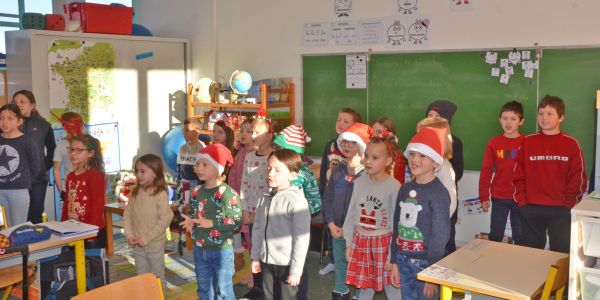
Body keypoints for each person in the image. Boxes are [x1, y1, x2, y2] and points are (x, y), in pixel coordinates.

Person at [513, 95, 587, 253]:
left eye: (549, 113)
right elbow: (518, 176)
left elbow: (578, 178)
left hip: (561, 209)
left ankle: (560, 279)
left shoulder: (571, 144)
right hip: (531, 208)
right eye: (540, 113)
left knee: (560, 254)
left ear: (561, 117)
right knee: (531, 254)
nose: (544, 117)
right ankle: (532, 278)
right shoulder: (527, 142)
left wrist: (568, 204)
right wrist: (522, 202)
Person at [390, 127, 451, 300]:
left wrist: (432, 274)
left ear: (435, 163)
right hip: (403, 259)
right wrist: (394, 260)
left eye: (422, 156)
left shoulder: (439, 193)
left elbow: (440, 236)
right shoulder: (405, 189)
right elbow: (397, 226)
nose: (415, 160)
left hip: (426, 265)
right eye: (412, 154)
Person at [343, 135, 402, 300]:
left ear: (388, 161)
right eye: (367, 156)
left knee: (392, 287)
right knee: (364, 288)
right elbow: (351, 215)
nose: (368, 161)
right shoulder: (359, 182)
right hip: (361, 243)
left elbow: (396, 225)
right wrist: (349, 244)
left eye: (375, 158)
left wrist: (392, 255)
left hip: (383, 245)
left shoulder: (394, 186)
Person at [179, 143, 241, 299]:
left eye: (205, 164)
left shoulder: (228, 194)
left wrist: (212, 223)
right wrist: (191, 221)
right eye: (197, 164)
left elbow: (236, 222)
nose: (199, 168)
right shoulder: (195, 192)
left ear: (219, 169)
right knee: (204, 289)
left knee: (224, 290)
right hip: (200, 249)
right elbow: (195, 214)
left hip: (222, 251)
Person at [251, 148, 311, 300]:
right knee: (268, 296)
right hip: (266, 262)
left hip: (287, 264)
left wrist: (296, 271)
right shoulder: (264, 198)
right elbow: (257, 230)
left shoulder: (297, 201)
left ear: (292, 175)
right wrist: (255, 257)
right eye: (269, 168)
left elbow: (301, 239)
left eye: (277, 170)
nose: (270, 173)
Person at [322, 123, 371, 300]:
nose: (347, 146)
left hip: (358, 232)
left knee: (359, 265)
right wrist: (331, 223)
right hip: (337, 228)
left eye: (352, 143)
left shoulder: (367, 173)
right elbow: (327, 198)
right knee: (341, 262)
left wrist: (351, 228)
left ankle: (360, 295)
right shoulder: (338, 169)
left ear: (362, 145)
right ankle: (340, 291)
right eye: (344, 142)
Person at [273, 124, 320, 300]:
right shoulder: (275, 170)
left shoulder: (305, 174)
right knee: (279, 266)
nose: (276, 151)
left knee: (298, 265)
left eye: (281, 149)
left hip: (297, 229)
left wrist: (301, 213)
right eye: (277, 148)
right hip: (278, 229)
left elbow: (315, 202)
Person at [319, 107, 361, 276]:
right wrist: (323, 189)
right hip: (332, 195)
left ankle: (346, 264)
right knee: (332, 230)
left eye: (346, 121)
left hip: (347, 197)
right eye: (339, 119)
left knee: (346, 234)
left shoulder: (354, 149)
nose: (340, 123)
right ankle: (333, 261)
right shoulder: (330, 144)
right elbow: (323, 170)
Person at [124, 154, 173, 295]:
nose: (138, 175)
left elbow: (164, 220)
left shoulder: (160, 194)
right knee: (142, 276)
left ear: (155, 172)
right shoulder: (135, 192)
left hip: (154, 245)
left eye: (142, 171)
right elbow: (127, 215)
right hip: (137, 243)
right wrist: (130, 235)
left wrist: (147, 238)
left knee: (156, 276)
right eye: (137, 171)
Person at [240, 109, 275, 299]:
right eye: (251, 132)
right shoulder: (249, 157)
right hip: (250, 212)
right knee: (254, 249)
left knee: (266, 250)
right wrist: (244, 209)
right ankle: (257, 287)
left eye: (257, 132)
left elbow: (271, 188)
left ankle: (267, 288)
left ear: (270, 135)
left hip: (267, 213)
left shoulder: (274, 158)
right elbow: (243, 184)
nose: (253, 136)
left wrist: (259, 212)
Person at [478, 101, 525, 244]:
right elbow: (486, 170)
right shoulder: (494, 143)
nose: (508, 122)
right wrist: (484, 196)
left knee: (521, 236)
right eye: (505, 118)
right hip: (499, 196)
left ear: (521, 121)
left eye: (513, 118)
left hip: (521, 197)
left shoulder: (527, 142)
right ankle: (493, 263)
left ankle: (519, 264)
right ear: (500, 120)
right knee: (496, 235)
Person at [12, 90, 56, 223]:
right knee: (19, 216)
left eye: (22, 102)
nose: (18, 104)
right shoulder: (7, 125)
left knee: (36, 214)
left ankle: (36, 242)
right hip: (16, 179)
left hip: (38, 178)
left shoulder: (44, 125)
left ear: (33, 105)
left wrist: (44, 167)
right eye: (15, 102)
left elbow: (52, 149)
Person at [425, 100, 462, 254]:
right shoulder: (422, 143)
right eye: (429, 115)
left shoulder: (454, 143)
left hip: (445, 201)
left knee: (446, 240)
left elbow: (457, 172)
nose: (431, 120)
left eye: (437, 116)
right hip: (426, 203)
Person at [62, 134, 106, 249]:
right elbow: (67, 202)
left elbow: (98, 206)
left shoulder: (95, 176)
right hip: (74, 230)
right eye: (71, 150)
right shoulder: (71, 176)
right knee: (75, 264)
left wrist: (90, 233)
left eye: (78, 150)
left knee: (92, 265)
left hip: (92, 233)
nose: (73, 154)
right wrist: (63, 226)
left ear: (90, 153)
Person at [0, 104, 41, 226]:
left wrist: (23, 182)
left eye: (10, 118)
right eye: (1, 118)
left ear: (19, 121)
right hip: (0, 191)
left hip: (19, 191)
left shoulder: (27, 141)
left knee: (18, 228)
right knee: (4, 230)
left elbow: (35, 166)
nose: (5, 122)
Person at [416, 117, 457, 218]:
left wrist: (439, 224)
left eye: (422, 136)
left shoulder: (443, 168)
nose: (417, 139)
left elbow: (451, 203)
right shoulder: (427, 164)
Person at [52, 112, 85, 202]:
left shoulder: (90, 144)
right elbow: (56, 169)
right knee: (72, 216)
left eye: (80, 124)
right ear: (65, 127)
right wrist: (61, 191)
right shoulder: (61, 147)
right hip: (70, 191)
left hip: (89, 189)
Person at [372, 117, 406, 184]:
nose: (374, 135)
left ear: (390, 135)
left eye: (379, 132)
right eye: (372, 131)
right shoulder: (372, 149)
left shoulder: (395, 156)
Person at [177, 118, 206, 190]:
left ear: (196, 132)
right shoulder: (183, 148)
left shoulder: (203, 149)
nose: (184, 133)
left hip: (196, 186)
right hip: (183, 185)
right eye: (183, 130)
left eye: (187, 130)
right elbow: (179, 167)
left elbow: (204, 173)